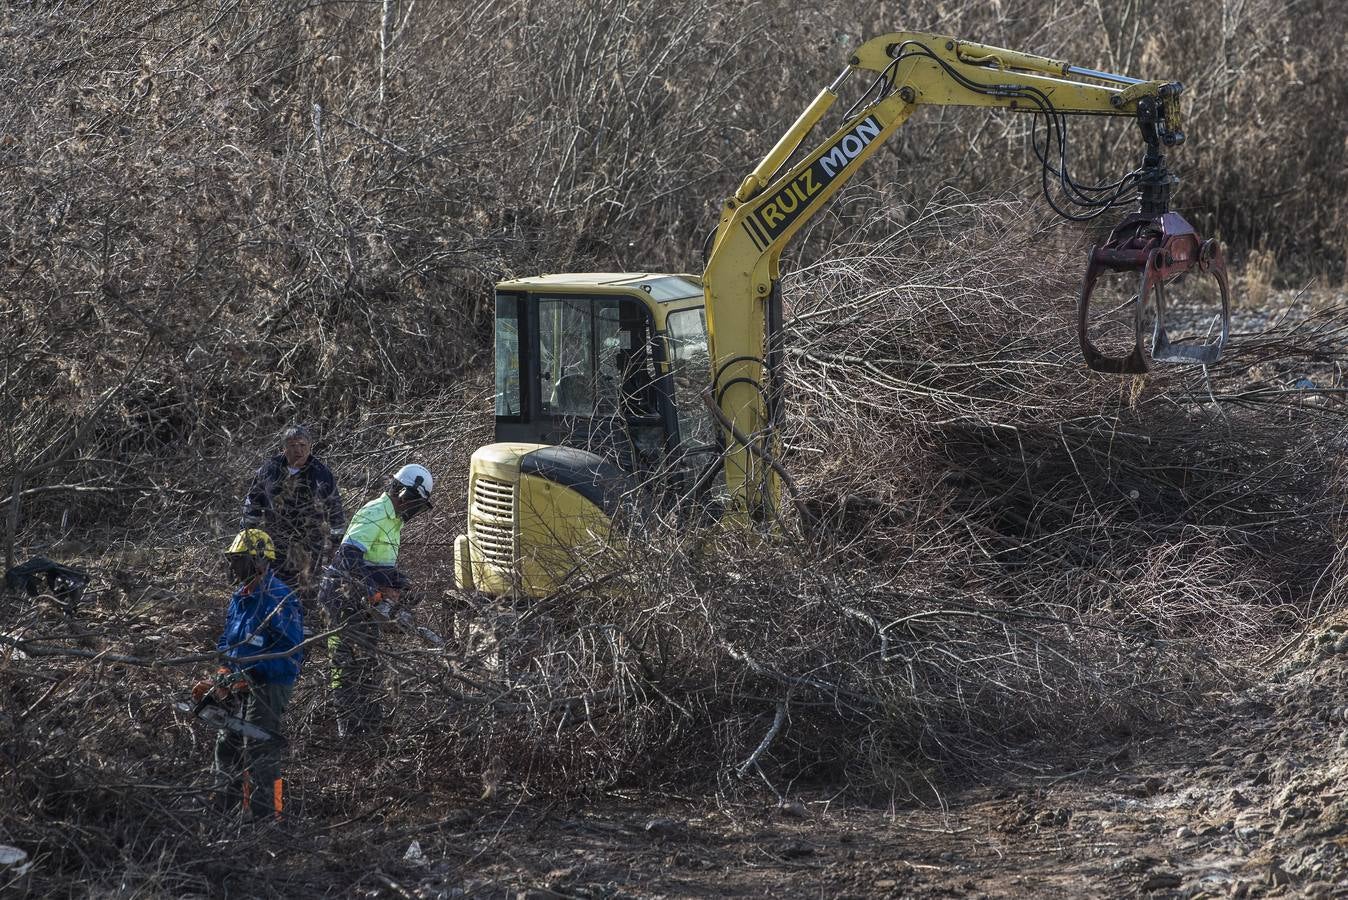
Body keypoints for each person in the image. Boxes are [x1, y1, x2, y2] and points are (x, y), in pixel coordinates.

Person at [192, 529, 303, 822]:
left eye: (239, 561)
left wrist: (253, 674)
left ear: (258, 562)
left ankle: (268, 817)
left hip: (270, 683)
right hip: (237, 681)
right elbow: (228, 641)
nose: (233, 567)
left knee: (259, 749)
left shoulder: (279, 598)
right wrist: (223, 674)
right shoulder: (239, 597)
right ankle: (222, 809)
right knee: (225, 743)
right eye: (232, 560)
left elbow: (290, 654)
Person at [317, 463, 434, 737]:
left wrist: (400, 583)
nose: (414, 509)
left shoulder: (395, 521)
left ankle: (369, 727)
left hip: (360, 599)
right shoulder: (375, 513)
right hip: (341, 597)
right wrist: (374, 593)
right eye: (415, 502)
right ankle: (349, 731)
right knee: (346, 666)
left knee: (368, 663)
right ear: (403, 494)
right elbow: (348, 558)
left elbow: (377, 564)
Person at [239, 425, 345, 607]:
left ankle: (305, 625)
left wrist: (336, 542)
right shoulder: (269, 469)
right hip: (275, 541)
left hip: (310, 543)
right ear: (283, 448)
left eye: (303, 445)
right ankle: (273, 623)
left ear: (310, 446)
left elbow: (334, 508)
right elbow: (253, 503)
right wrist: (247, 535)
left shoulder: (321, 473)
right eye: (293, 445)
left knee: (306, 588)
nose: (298, 450)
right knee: (273, 586)